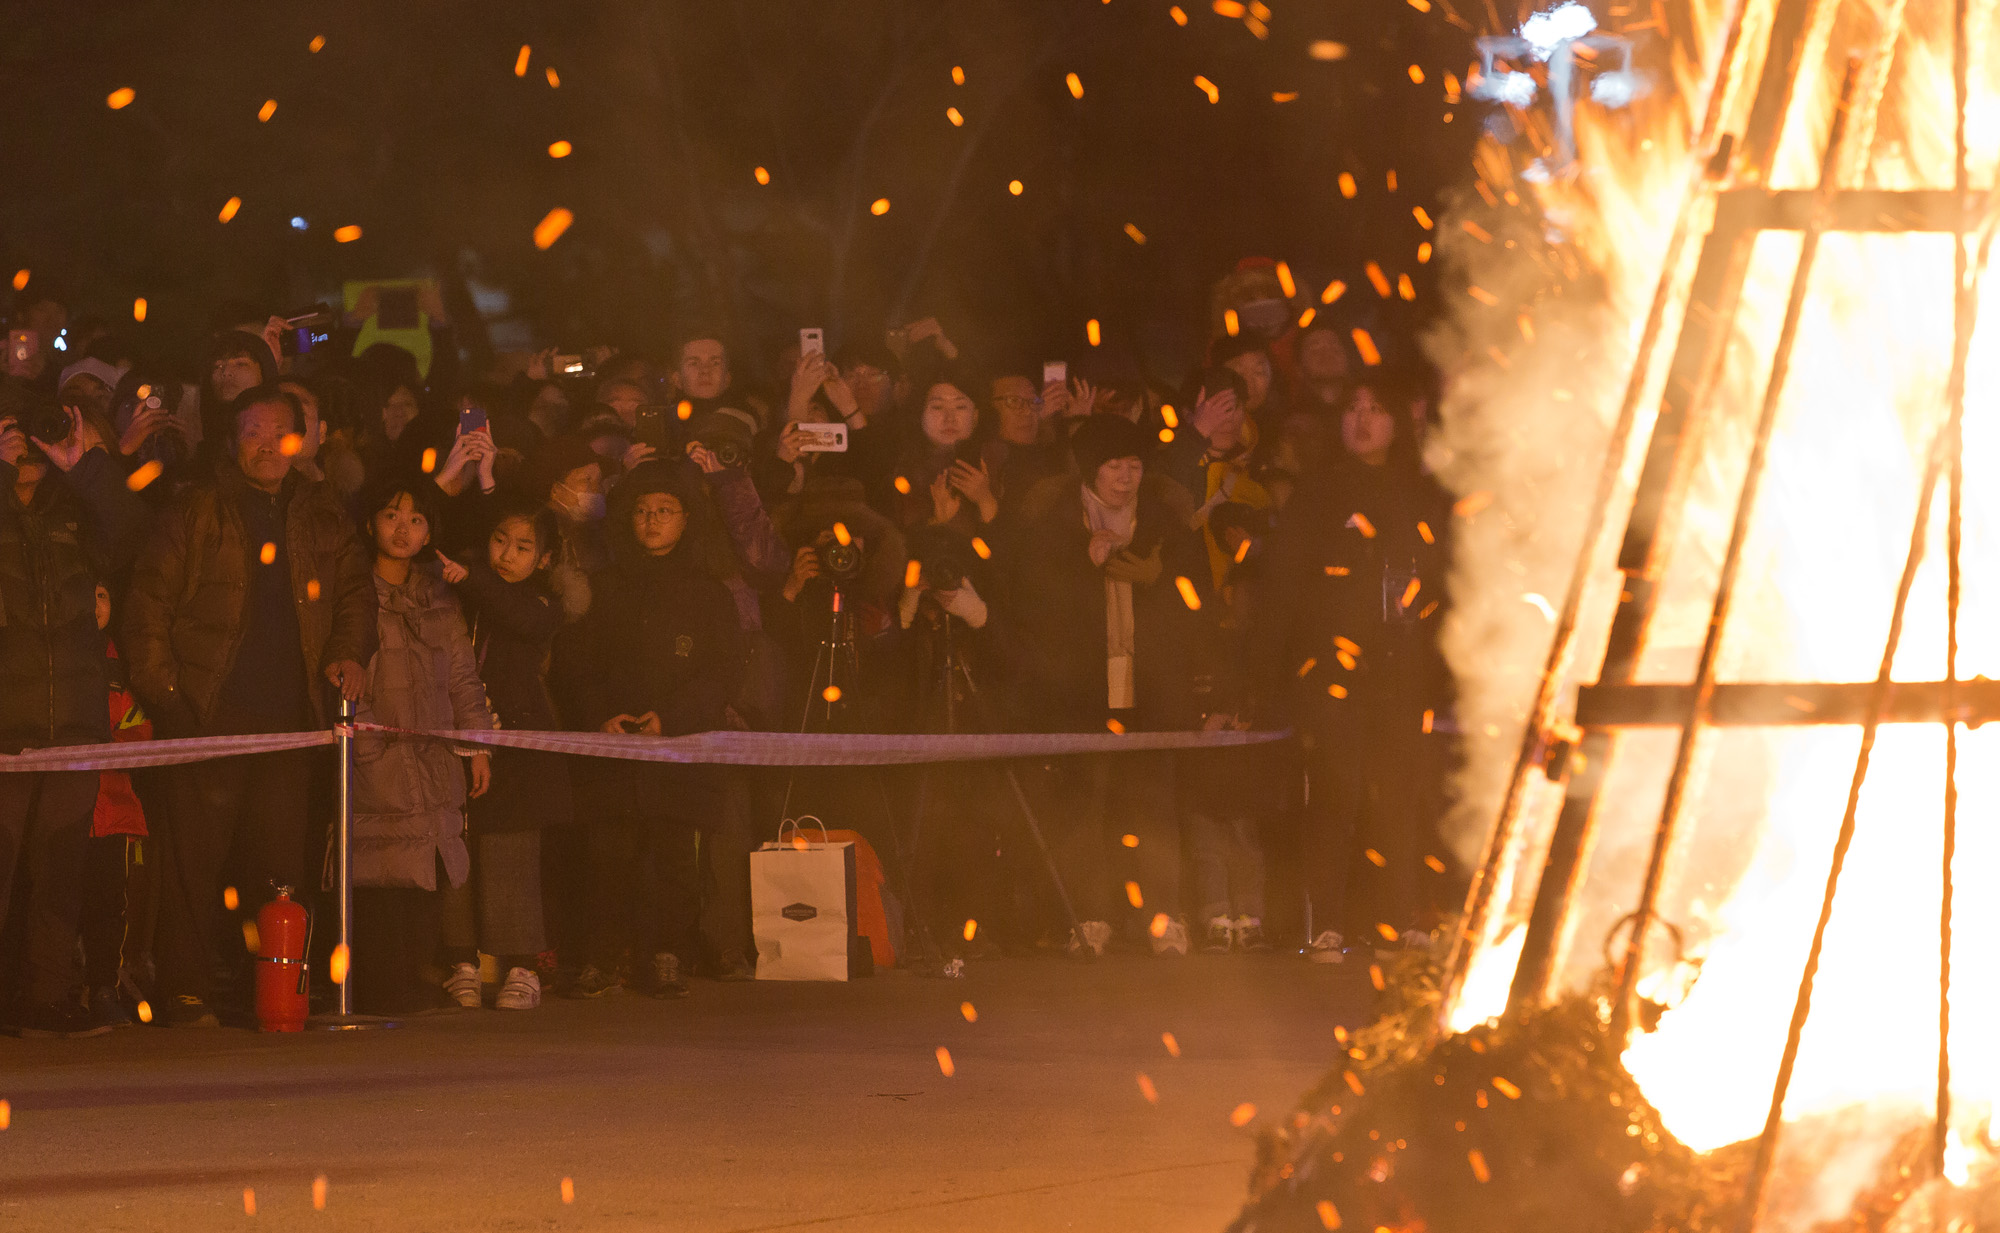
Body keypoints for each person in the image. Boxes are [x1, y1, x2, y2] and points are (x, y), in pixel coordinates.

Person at [123, 384, 376, 1027]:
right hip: (207, 713)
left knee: (277, 868)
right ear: (232, 440)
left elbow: (354, 593)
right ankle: (184, 990)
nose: (266, 446)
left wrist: (349, 654)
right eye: (252, 432)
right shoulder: (196, 509)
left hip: (292, 718)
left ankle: (268, 988)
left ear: (301, 440)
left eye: (278, 432)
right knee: (192, 865)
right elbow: (146, 607)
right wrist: (171, 697)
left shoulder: (321, 512)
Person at [1001, 415, 1212, 959]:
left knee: (1153, 806)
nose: (1125, 477)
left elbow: (1197, 605)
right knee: (1083, 807)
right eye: (1114, 466)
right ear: (1090, 471)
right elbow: (1031, 604)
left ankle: (1165, 917)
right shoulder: (1053, 521)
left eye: (1135, 465)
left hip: (1152, 685)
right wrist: (1083, 564)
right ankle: (1090, 916)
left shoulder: (1165, 520)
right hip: (1080, 689)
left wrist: (1162, 581)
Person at [1259, 382, 1451, 960]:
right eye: (1353, 409)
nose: (1363, 420)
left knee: (1397, 796)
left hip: (1402, 670)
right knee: (1336, 793)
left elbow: (1448, 580)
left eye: (1376, 408)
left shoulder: (1422, 494)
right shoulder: (1319, 493)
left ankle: (1393, 918)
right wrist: (1266, 677)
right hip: (1332, 671)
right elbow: (1281, 590)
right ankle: (1330, 923)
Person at [563, 463, 745, 998]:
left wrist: (672, 719)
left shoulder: (710, 592)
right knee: (607, 856)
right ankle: (601, 957)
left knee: (672, 858)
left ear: (686, 518)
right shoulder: (604, 586)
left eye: (664, 510)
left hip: (680, 750)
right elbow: (576, 663)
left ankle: (666, 952)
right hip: (613, 746)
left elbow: (724, 670)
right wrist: (602, 714)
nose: (651, 520)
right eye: (641, 510)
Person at [0, 397, 149, 1036]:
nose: (27, 443)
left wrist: (81, 464)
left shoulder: (77, 515)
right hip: (7, 723)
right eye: (11, 431)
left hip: (75, 722)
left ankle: (46, 996)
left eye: (33, 432)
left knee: (60, 869)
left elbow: (132, 534)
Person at [438, 503, 574, 1010]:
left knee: (512, 849)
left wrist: (472, 577)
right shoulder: (459, 590)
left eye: (523, 547)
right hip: (457, 732)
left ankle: (521, 964)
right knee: (457, 842)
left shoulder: (543, 603)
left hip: (520, 743)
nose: (507, 555)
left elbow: (517, 615)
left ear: (543, 559)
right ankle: (462, 962)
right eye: (499, 540)